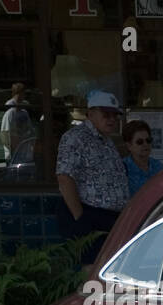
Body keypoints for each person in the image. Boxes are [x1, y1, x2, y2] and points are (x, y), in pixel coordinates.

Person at [56, 90, 130, 263]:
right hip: (88, 215)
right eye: (106, 115)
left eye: (115, 115)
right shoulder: (75, 137)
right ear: (90, 113)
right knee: (91, 271)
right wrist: (80, 218)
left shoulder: (107, 141)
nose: (111, 119)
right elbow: (64, 178)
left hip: (109, 219)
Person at [122, 119, 163, 196]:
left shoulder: (158, 167)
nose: (145, 144)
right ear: (129, 146)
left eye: (148, 140)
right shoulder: (121, 169)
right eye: (139, 142)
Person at [0, 83, 33, 161]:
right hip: (14, 153)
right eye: (23, 93)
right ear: (19, 93)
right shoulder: (10, 111)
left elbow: (30, 131)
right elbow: (5, 133)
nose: (25, 95)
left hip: (24, 151)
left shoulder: (24, 112)